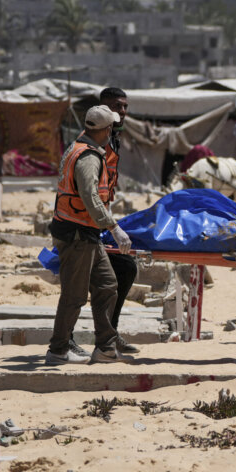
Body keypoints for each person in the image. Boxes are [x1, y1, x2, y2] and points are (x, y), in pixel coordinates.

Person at [47, 105, 134, 365]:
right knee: (74, 295)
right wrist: (113, 227)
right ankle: (58, 349)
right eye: (111, 127)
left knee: (107, 285)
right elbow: (89, 195)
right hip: (76, 234)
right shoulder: (89, 157)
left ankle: (105, 347)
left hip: (85, 233)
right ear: (106, 130)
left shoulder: (78, 148)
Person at [99, 87, 139, 354]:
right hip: (84, 222)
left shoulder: (113, 138)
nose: (122, 111)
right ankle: (62, 343)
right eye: (116, 106)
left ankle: (110, 335)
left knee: (125, 269)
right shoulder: (95, 139)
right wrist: (111, 226)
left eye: (124, 106)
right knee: (80, 290)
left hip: (98, 219)